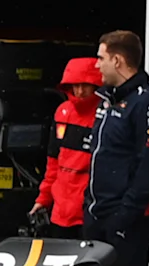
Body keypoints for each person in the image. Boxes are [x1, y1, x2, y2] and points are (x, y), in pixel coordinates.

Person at [83, 28, 149, 266]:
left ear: (117, 60)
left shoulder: (148, 104)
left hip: (129, 221)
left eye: (101, 58)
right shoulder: (105, 101)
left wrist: (124, 217)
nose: (97, 65)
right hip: (96, 215)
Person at [30, 54, 102, 232]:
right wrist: (43, 200)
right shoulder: (62, 112)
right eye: (74, 85)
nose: (79, 91)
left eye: (85, 85)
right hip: (60, 212)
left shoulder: (105, 115)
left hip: (90, 213)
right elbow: (53, 163)